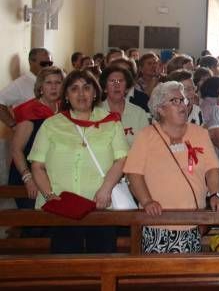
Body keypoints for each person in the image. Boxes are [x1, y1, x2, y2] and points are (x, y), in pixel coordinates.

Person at [28, 70, 128, 253]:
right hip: (62, 207)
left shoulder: (111, 122)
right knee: (64, 264)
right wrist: (50, 196)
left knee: (102, 262)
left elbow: (121, 159)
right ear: (66, 95)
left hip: (100, 206)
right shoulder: (52, 124)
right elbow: (37, 165)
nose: (81, 94)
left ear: (95, 93)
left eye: (86, 88)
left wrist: (106, 189)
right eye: (74, 89)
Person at [125, 82, 219, 253]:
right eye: (175, 101)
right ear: (160, 109)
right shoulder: (146, 135)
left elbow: (212, 168)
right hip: (157, 222)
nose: (183, 105)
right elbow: (133, 173)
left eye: (184, 100)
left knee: (189, 276)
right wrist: (147, 201)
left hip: (193, 222)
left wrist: (216, 193)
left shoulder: (200, 133)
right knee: (159, 276)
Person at [9, 67, 64, 210]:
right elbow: (16, 149)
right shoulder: (30, 110)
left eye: (58, 83)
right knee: (36, 223)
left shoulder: (63, 110)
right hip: (27, 174)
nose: (53, 87)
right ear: (40, 87)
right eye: (48, 83)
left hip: (53, 174)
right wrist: (27, 178)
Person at [0, 47, 52, 128]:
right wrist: (14, 126)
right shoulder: (20, 84)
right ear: (31, 62)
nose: (48, 67)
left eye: (50, 63)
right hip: (29, 137)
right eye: (44, 64)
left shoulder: (53, 83)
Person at [100, 65, 150, 147]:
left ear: (127, 87)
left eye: (120, 81)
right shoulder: (95, 112)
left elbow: (146, 145)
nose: (117, 85)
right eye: (112, 81)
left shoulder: (139, 113)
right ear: (105, 88)